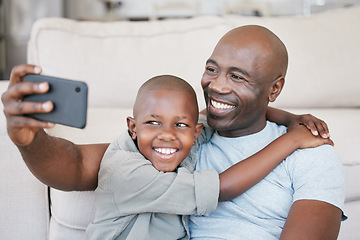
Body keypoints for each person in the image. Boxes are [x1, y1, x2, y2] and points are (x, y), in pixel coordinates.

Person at [1, 25, 345, 239]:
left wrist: (288, 124)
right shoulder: (181, 135)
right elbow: (76, 165)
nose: (216, 86)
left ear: (274, 89)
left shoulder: (311, 151)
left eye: (237, 77)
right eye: (212, 69)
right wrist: (31, 141)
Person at [85, 74, 332, 240]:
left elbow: (237, 110)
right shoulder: (125, 171)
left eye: (180, 125)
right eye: (152, 122)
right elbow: (223, 187)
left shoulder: (189, 137)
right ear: (132, 128)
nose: (168, 135)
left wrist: (290, 119)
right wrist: (292, 140)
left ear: (196, 133)